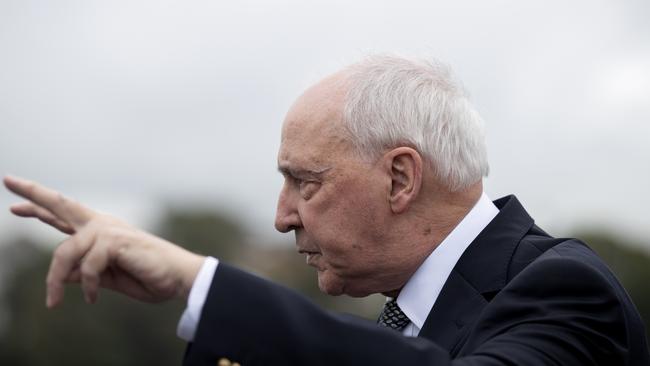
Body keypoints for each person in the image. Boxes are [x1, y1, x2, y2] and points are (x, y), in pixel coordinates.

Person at [4, 55, 649, 365]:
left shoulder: (567, 292)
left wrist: (199, 283)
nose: (282, 217)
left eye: (304, 183)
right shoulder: (395, 319)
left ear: (400, 178)